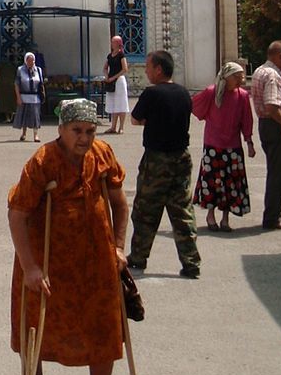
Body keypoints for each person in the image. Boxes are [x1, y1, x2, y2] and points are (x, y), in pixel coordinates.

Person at [8, 99, 128, 375]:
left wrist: (119, 247)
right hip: (47, 261)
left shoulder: (103, 154)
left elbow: (119, 203)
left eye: (90, 131)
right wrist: (30, 266)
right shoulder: (42, 162)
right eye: (77, 131)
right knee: (34, 325)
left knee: (105, 328)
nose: (84, 138)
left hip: (96, 258)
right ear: (60, 129)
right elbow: (18, 214)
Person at [127, 50, 201, 278]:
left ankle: (139, 257)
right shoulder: (183, 93)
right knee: (182, 210)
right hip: (181, 157)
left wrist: (152, 120)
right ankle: (191, 262)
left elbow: (135, 119)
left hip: (157, 160)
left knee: (146, 210)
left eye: (149, 67)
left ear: (159, 69)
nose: (147, 71)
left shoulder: (152, 94)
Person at [192, 61, 255, 232]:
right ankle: (210, 215)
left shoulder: (242, 95)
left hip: (233, 146)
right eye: (237, 76)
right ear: (227, 77)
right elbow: (195, 106)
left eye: (242, 75)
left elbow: (246, 120)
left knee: (231, 182)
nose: (241, 79)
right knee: (213, 181)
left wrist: (249, 141)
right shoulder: (212, 92)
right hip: (213, 145)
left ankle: (225, 218)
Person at [250, 40, 281, 230]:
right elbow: (271, 106)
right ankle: (272, 218)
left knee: (275, 171)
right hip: (276, 126)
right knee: (279, 173)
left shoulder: (261, 71)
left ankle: (275, 211)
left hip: (267, 126)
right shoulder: (272, 75)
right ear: (279, 56)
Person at [13, 53, 45, 143]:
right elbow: (16, 84)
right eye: (29, 60)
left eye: (32, 60)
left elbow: (41, 83)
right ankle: (24, 134)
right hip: (24, 96)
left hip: (35, 97)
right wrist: (18, 97)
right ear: (25, 61)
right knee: (24, 116)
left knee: (35, 116)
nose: (31, 62)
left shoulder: (38, 70)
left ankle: (36, 135)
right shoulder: (20, 70)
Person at [102, 36, 129, 134]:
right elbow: (105, 67)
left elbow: (125, 69)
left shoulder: (121, 55)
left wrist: (114, 77)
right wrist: (107, 76)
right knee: (113, 103)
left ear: (118, 43)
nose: (111, 44)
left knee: (121, 103)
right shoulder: (110, 56)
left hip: (119, 81)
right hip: (111, 81)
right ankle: (113, 127)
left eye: (113, 42)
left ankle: (121, 127)